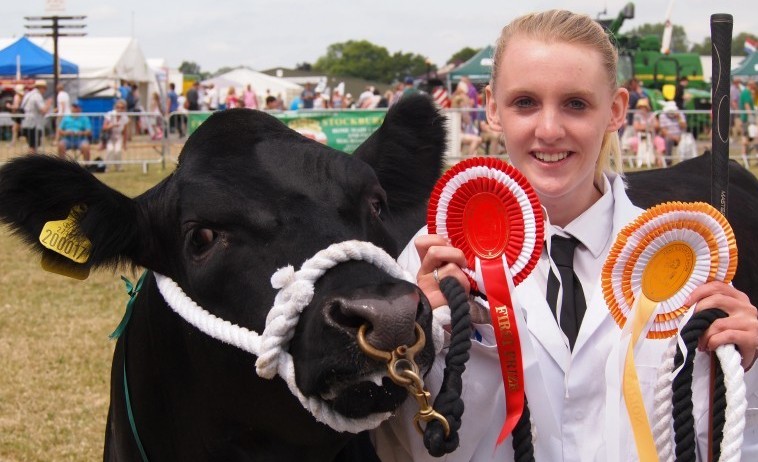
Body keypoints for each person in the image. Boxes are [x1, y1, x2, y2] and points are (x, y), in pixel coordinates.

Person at [372, 10, 758, 462]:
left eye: (576, 103)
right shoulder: (429, 261)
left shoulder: (688, 264)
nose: (550, 130)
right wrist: (411, 340)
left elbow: (736, 441)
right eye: (525, 103)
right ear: (493, 109)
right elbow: (397, 444)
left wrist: (745, 368)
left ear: (615, 110)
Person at [20, 80, 53, 154]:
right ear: (41, 88)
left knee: (31, 145)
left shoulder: (28, 94)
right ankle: (31, 163)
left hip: (26, 122)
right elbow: (43, 110)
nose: (45, 90)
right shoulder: (37, 96)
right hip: (34, 124)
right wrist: (48, 104)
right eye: (45, 88)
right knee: (33, 146)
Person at [102, 99, 129, 172]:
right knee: (110, 150)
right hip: (109, 136)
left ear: (124, 109)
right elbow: (104, 127)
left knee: (118, 151)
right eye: (118, 107)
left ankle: (119, 167)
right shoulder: (110, 114)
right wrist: (112, 125)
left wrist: (125, 143)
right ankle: (107, 167)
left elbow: (125, 132)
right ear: (115, 107)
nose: (119, 109)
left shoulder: (125, 118)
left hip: (119, 136)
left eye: (122, 108)